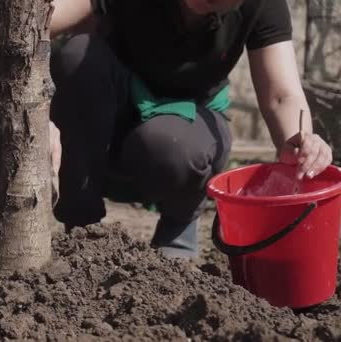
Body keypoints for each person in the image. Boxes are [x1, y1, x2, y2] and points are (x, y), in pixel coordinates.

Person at [47, 0, 333, 259]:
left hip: (184, 125)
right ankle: (82, 231)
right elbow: (40, 20)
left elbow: (281, 95)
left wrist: (299, 142)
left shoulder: (262, 5)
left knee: (171, 146)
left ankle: (177, 227)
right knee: (75, 55)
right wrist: (38, 111)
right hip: (106, 112)